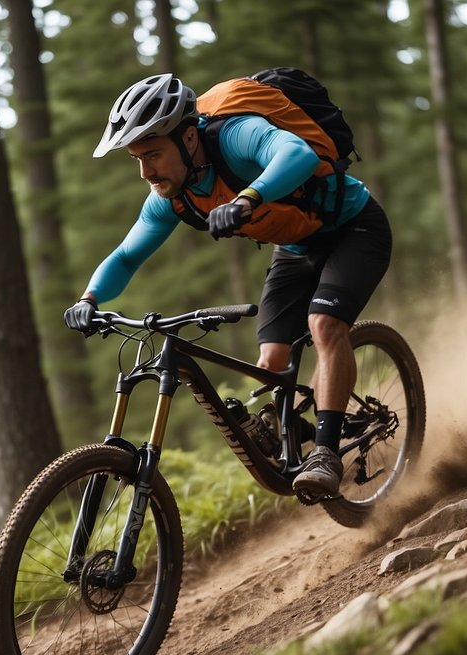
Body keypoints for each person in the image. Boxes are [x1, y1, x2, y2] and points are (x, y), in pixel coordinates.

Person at [64, 73, 392, 500]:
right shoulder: (171, 196)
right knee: (272, 361)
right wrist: (89, 298)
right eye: (136, 159)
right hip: (295, 247)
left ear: (188, 138)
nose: (146, 171)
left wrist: (247, 198)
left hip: (354, 228)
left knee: (324, 323)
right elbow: (127, 256)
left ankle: (326, 455)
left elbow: (297, 153)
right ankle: (292, 426)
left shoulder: (235, 135)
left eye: (153, 154)